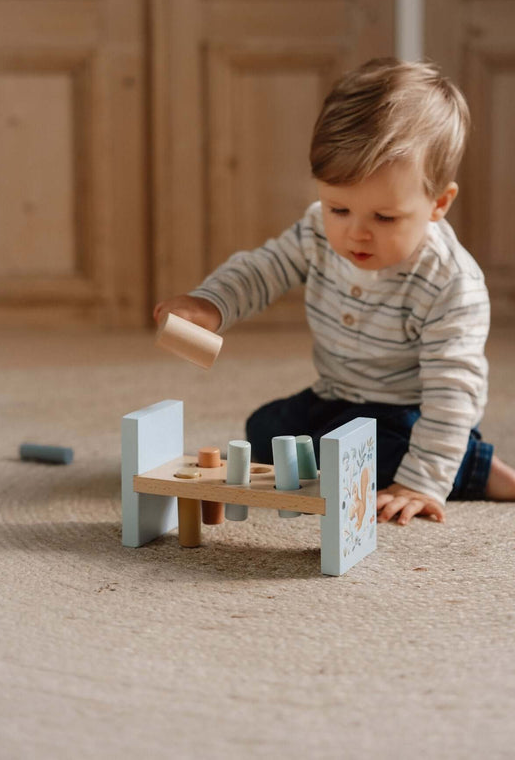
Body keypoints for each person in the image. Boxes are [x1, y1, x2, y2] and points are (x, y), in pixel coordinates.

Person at [153, 58, 515, 525]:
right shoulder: (318, 233)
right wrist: (210, 303)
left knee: (355, 465)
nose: (355, 234)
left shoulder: (450, 284)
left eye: (384, 218)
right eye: (338, 208)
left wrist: (421, 480)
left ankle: (475, 468)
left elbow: (454, 392)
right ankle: (368, 449)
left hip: (409, 414)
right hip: (337, 394)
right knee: (265, 433)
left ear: (438, 203)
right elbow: (265, 268)